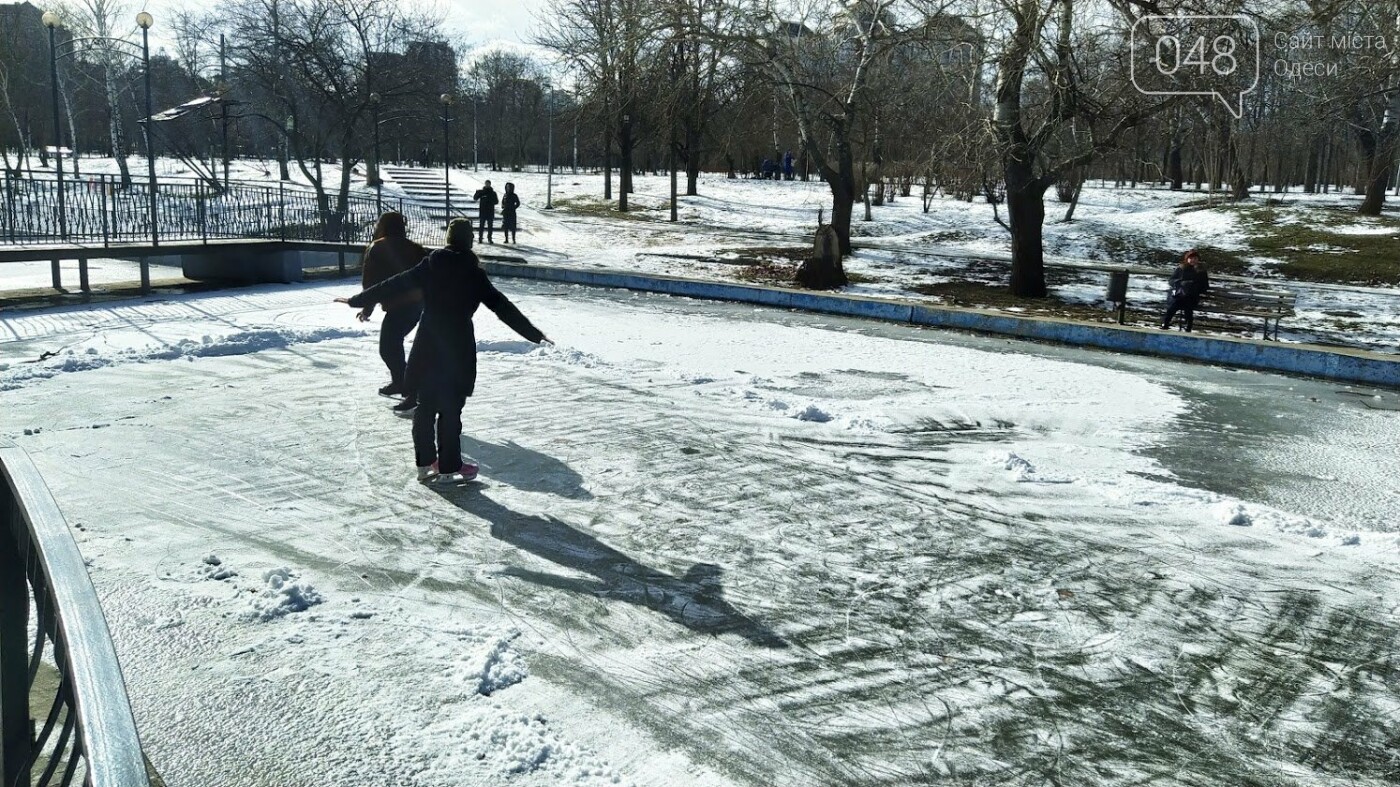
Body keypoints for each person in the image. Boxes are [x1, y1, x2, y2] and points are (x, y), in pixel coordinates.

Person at [336, 218, 550, 484]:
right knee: (450, 409)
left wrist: (357, 300)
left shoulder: (430, 265)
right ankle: (448, 467)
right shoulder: (474, 273)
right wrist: (533, 334)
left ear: (448, 239)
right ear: (469, 240)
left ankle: (425, 464)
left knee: (425, 407)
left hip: (427, 341)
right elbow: (501, 306)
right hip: (457, 345)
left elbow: (394, 284)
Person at [357, 212, 426, 400]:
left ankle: (408, 384)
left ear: (383, 226)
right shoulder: (415, 248)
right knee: (393, 343)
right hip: (417, 304)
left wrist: (366, 308)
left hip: (398, 305)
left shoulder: (377, 248)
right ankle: (403, 382)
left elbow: (370, 283)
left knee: (388, 346)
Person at [1161, 249, 1210, 332]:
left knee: (1187, 305)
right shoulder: (1181, 268)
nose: (1193, 260)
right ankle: (1165, 323)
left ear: (1198, 260)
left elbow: (1205, 286)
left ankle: (1188, 326)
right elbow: (1171, 280)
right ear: (1187, 259)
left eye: (1195, 258)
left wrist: (1194, 287)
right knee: (1174, 305)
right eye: (1191, 258)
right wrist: (1179, 283)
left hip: (1192, 296)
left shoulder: (1201, 271)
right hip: (1178, 295)